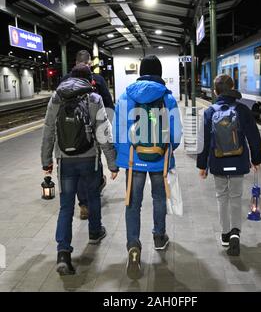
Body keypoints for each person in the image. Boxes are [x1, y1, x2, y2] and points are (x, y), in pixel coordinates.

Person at [41, 63, 118, 275]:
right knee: (92, 197)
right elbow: (103, 133)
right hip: (89, 159)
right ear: (89, 80)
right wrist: (112, 163)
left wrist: (46, 161)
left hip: (65, 161)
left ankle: (63, 253)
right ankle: (95, 232)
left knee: (66, 206)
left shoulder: (56, 97)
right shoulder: (94, 98)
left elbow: (48, 131)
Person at [114, 55, 182, 279]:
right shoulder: (167, 98)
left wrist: (124, 156)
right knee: (159, 199)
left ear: (140, 72)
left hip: (134, 163)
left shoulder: (125, 96)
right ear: (159, 73)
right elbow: (177, 135)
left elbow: (117, 133)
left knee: (132, 205)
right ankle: (159, 237)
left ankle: (133, 247)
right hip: (160, 162)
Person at [197, 74, 261, 256]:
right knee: (236, 197)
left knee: (221, 197)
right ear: (232, 87)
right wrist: (256, 160)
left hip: (218, 163)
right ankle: (235, 233)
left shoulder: (209, 112)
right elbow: (254, 138)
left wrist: (202, 166)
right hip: (238, 161)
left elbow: (203, 141)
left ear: (216, 91)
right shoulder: (242, 110)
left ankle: (225, 234)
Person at [61, 50, 115, 220]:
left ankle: (83, 204)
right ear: (89, 63)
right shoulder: (97, 80)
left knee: (74, 174)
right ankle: (92, 199)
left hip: (68, 138)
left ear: (75, 62)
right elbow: (108, 103)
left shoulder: (63, 81)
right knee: (94, 166)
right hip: (92, 137)